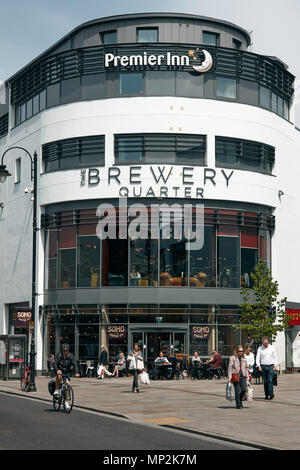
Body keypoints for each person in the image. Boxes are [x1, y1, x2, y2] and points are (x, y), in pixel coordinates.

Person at [53, 343, 80, 410]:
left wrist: (76, 372)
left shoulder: (71, 356)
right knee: (59, 377)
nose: (65, 352)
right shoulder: (58, 355)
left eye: (66, 351)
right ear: (61, 350)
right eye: (64, 351)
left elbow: (75, 364)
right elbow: (55, 364)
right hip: (60, 370)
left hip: (67, 372)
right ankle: (56, 389)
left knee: (67, 385)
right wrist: (57, 370)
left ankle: (66, 402)